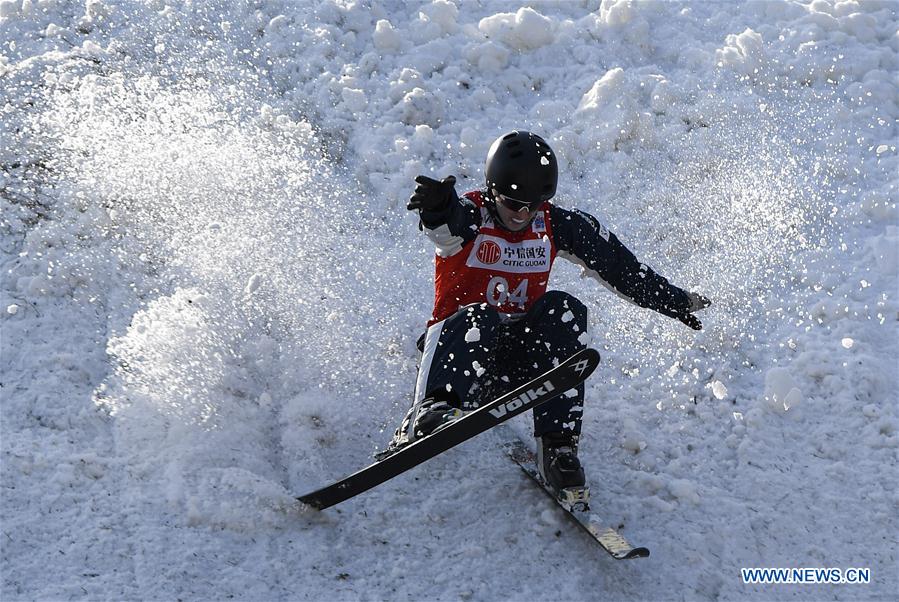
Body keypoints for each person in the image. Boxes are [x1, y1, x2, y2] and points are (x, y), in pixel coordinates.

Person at [386, 130, 710, 503]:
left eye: (533, 205)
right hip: (460, 363)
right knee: (481, 318)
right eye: (513, 204)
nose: (522, 215)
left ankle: (558, 448)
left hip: (514, 365)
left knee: (565, 310)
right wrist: (438, 209)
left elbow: (620, 268)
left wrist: (671, 299)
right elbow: (446, 225)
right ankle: (428, 410)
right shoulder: (472, 216)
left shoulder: (554, 224)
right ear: (492, 191)